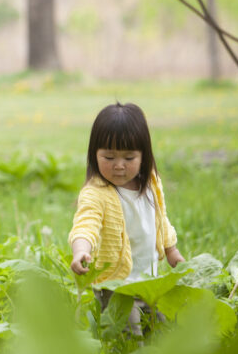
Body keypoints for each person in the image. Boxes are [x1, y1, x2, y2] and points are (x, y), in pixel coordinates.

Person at [69, 102, 186, 335]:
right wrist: (80, 250)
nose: (119, 166)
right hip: (117, 289)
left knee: (165, 332)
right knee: (132, 340)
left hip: (150, 283)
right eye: (109, 157)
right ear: (95, 155)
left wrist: (171, 252)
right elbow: (85, 225)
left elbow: (160, 220)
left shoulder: (150, 183)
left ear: (144, 155)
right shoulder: (96, 193)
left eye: (129, 157)